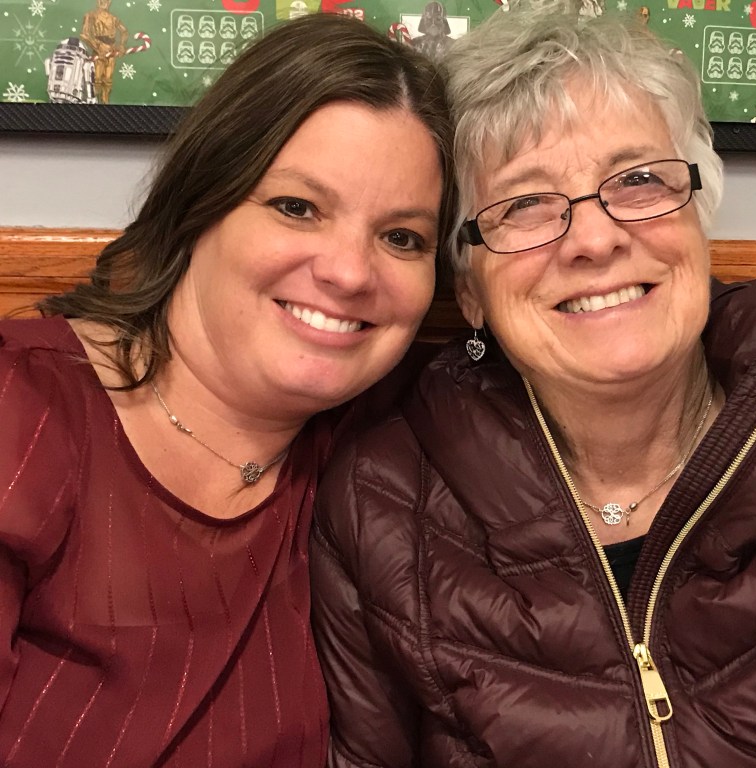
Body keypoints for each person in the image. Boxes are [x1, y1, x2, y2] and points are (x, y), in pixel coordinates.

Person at [309, 8, 756, 767]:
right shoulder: (384, 501)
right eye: (524, 205)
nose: (595, 239)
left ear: (698, 222)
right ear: (472, 290)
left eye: (639, 180)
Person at [0, 14, 454, 766]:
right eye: (297, 207)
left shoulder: (388, 453)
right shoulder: (22, 410)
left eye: (402, 237)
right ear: (201, 203)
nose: (349, 272)